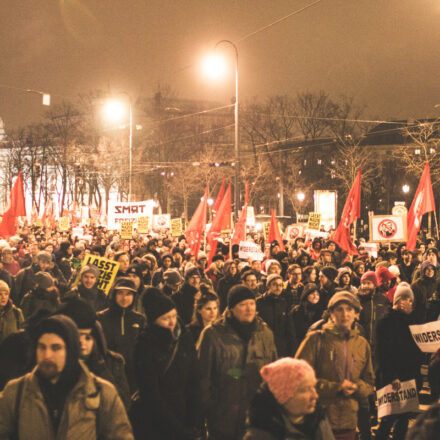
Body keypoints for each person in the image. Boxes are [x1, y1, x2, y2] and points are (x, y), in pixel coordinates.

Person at [0, 314, 133, 439]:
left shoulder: (101, 392)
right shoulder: (16, 392)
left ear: (70, 351)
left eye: (56, 348)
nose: (47, 355)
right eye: (42, 347)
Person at [198, 284, 278, 439]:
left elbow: (273, 373)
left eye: (252, 304)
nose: (249, 309)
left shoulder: (265, 333)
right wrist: (209, 411)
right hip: (224, 417)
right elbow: (202, 378)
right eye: (242, 305)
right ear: (231, 309)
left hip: (258, 417)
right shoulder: (213, 334)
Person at [296, 291, 375, 440]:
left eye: (349, 309)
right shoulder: (315, 340)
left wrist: (357, 387)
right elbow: (299, 378)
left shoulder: (362, 344)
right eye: (339, 309)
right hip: (318, 420)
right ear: (331, 313)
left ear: (356, 314)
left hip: (349, 422)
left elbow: (370, 383)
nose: (345, 314)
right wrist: (335, 388)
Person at [133, 288, 201, 439]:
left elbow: (194, 377)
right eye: (165, 318)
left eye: (174, 316)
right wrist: (177, 429)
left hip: (185, 413)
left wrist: (192, 420)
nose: (172, 322)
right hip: (157, 422)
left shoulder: (184, 338)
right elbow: (150, 392)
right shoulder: (145, 343)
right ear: (154, 320)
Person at [59, 298, 131, 408]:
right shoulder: (57, 362)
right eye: (77, 336)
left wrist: (100, 366)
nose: (82, 342)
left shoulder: (112, 362)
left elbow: (122, 403)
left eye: (87, 337)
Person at [374, 282, 424, 440]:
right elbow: (383, 353)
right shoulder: (385, 322)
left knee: (403, 420)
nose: (411, 304)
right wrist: (391, 375)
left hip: (409, 376)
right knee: (388, 419)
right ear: (400, 301)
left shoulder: (412, 321)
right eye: (409, 300)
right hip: (393, 378)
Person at [243, 357, 335, 440]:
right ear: (283, 396)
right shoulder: (261, 434)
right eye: (304, 390)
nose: (315, 396)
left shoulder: (319, 421)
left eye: (313, 387)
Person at [97, 277, 146, 392]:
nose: (124, 298)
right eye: (120, 293)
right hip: (108, 376)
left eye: (129, 294)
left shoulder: (139, 319)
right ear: (114, 294)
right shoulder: (101, 317)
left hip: (133, 376)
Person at [257, 273, 295, 357]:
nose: (278, 287)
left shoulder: (284, 303)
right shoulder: (259, 302)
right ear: (268, 286)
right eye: (275, 284)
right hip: (264, 345)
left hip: (280, 347)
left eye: (280, 285)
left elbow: (289, 327)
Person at [289, 283, 323, 353]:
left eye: (317, 294)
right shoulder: (296, 311)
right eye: (312, 294)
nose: (315, 296)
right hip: (299, 348)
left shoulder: (321, 312)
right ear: (306, 295)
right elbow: (292, 334)